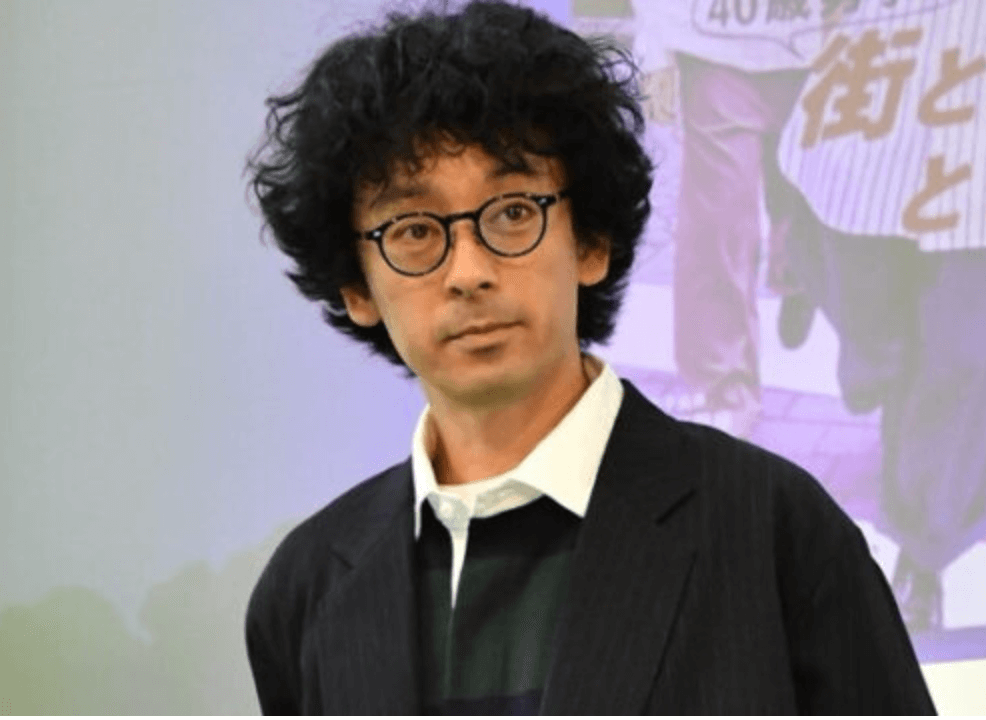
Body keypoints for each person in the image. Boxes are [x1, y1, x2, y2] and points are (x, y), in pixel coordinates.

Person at [243, 1, 934, 714]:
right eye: (415, 230)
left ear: (591, 241)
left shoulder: (773, 531)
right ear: (357, 286)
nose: (468, 271)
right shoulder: (305, 592)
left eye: (513, 212)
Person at [776, 0, 986, 632]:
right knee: (877, 338)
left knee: (959, 353)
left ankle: (925, 543)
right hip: (879, 85)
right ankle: (818, 290)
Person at [630, 0, 824, 438]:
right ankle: (720, 387)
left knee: (813, 202)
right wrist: (655, 48)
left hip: (824, 44)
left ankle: (798, 269)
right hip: (715, 45)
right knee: (718, 221)